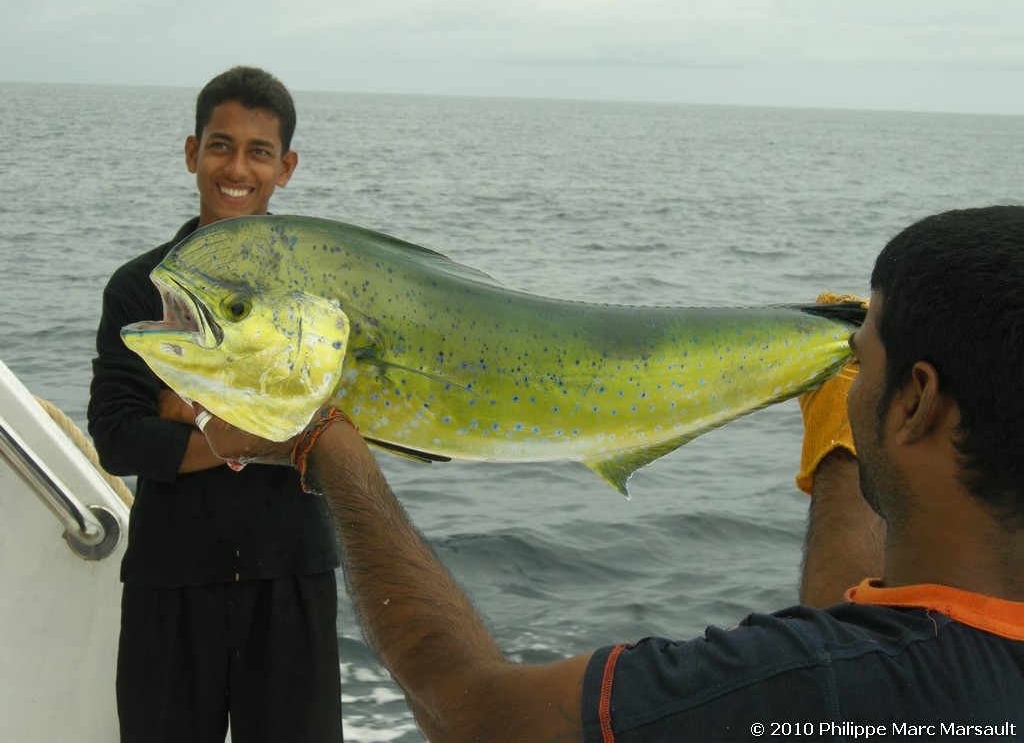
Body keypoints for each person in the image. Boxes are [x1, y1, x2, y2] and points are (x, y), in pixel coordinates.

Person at [198, 205, 1024, 742]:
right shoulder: (860, 686)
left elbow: (471, 716)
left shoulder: (795, 690)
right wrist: (843, 450)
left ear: (915, 402)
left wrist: (334, 455)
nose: (844, 372)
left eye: (860, 354)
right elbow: (860, 635)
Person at [88, 67, 344, 742]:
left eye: (259, 152)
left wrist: (187, 411)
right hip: (170, 579)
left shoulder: (322, 294)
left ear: (285, 167)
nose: (237, 168)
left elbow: (332, 422)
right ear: (191, 152)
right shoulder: (138, 289)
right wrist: (249, 436)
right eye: (220, 145)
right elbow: (118, 437)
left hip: (290, 574)